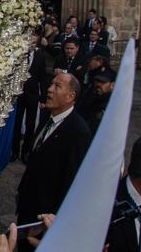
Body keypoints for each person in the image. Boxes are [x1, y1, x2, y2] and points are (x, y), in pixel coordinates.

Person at [15, 72, 90, 246]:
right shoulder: (48, 118)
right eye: (51, 85)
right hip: (27, 207)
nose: (49, 90)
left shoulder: (78, 132)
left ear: (71, 97)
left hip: (45, 218)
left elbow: (71, 181)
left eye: (57, 87)